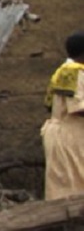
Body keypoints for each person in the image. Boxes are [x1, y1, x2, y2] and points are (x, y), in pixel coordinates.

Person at [42, 31, 84, 200]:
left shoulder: (62, 71)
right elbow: (79, 108)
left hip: (59, 132)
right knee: (74, 185)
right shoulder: (76, 72)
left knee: (63, 184)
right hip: (71, 135)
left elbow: (49, 105)